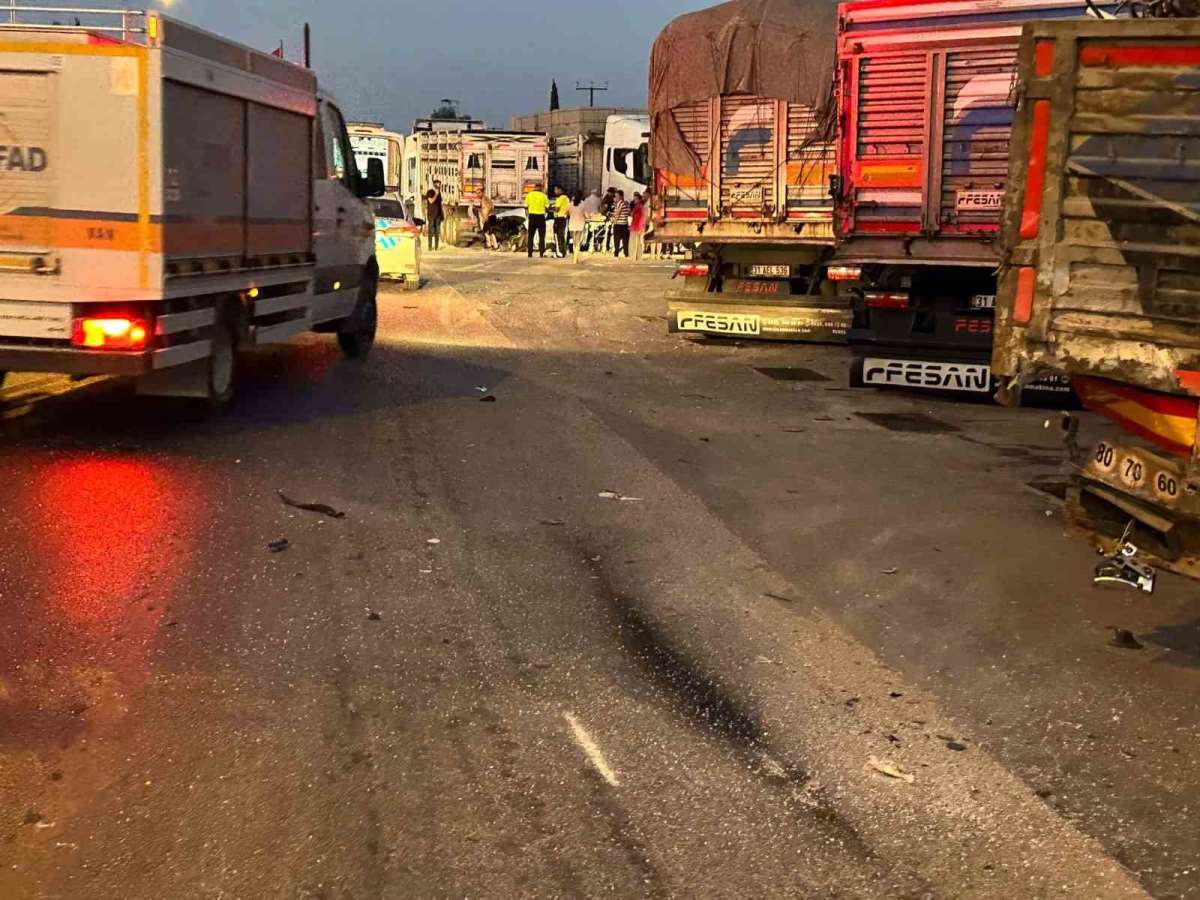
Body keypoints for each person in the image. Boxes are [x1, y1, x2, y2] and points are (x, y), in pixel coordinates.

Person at [525, 183, 549, 258]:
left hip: (532, 216)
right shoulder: (544, 196)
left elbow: (526, 207)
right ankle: (541, 252)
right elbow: (547, 207)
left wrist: (528, 216)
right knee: (541, 236)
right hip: (541, 217)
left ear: (535, 187)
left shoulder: (529, 195)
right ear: (541, 188)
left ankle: (530, 253)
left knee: (530, 235)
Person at [567, 191, 588, 265]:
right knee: (578, 242)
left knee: (574, 242)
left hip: (572, 224)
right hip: (580, 224)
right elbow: (586, 215)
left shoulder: (570, 204)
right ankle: (575, 259)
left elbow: (567, 213)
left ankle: (575, 258)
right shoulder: (583, 204)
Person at [610, 190, 631, 258]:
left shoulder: (620, 203)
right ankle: (626, 254)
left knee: (617, 240)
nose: (616, 197)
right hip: (625, 224)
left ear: (621, 196)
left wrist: (614, 221)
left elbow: (617, 213)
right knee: (625, 241)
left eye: (617, 196)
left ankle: (616, 254)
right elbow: (628, 212)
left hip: (619, 224)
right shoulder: (626, 203)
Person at [424, 185, 444, 251]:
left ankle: (436, 247)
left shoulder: (439, 193)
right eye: (437, 185)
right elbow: (431, 201)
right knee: (431, 232)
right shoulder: (430, 192)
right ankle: (430, 247)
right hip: (431, 215)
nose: (438, 186)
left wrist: (442, 214)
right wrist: (436, 194)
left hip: (438, 216)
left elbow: (440, 204)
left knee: (437, 232)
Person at [552, 186, 570, 258]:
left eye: (555, 190)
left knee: (557, 236)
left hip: (558, 218)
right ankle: (563, 251)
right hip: (564, 218)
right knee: (562, 236)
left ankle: (559, 252)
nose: (554, 191)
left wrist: (552, 208)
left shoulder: (560, 198)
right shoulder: (567, 198)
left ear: (560, 190)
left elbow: (557, 209)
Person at [630, 192, 648, 262]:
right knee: (640, 243)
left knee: (633, 243)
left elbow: (632, 214)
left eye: (635, 199)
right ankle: (639, 257)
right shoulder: (643, 206)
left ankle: (633, 258)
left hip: (635, 226)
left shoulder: (637, 206)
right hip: (642, 227)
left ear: (638, 199)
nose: (634, 200)